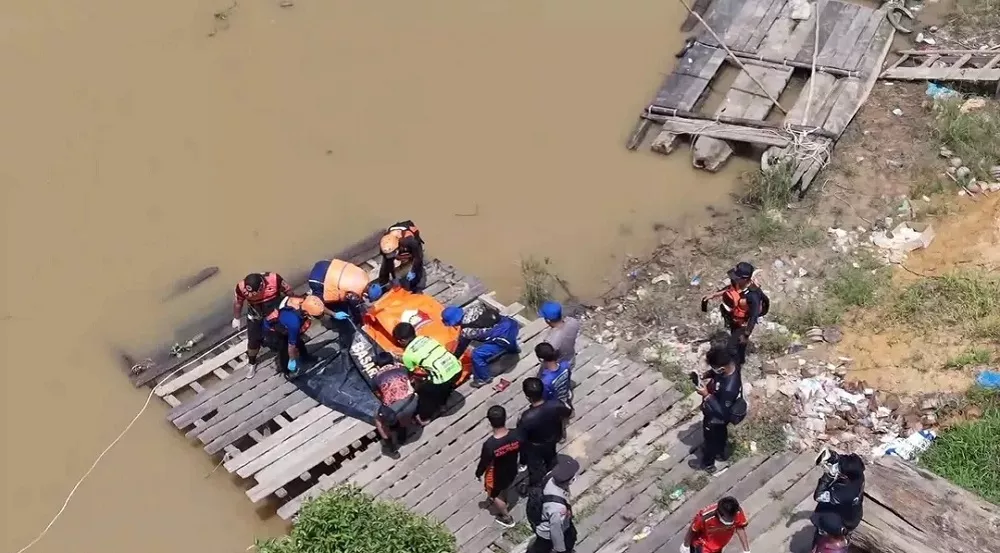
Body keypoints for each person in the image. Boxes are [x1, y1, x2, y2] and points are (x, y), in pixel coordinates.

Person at [393, 322, 463, 425]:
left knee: (426, 396)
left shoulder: (407, 355)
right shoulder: (427, 338)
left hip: (442, 378)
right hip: (457, 368)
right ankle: (443, 404)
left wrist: (416, 387)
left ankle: (424, 418)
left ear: (402, 341)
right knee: (447, 387)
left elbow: (413, 373)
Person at [701, 262, 767, 369]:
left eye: (737, 277)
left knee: (733, 347)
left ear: (745, 279)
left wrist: (746, 335)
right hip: (734, 317)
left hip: (744, 323)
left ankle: (738, 364)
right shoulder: (737, 282)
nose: (734, 279)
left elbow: (754, 316)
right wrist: (713, 295)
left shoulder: (753, 295)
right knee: (733, 335)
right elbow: (729, 289)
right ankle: (737, 352)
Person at [691, 346, 743, 473]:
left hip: (716, 417)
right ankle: (720, 452)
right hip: (720, 414)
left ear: (722, 368)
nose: (713, 370)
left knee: (710, 440)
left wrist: (706, 395)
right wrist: (707, 374)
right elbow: (716, 372)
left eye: (714, 368)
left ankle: (707, 464)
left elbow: (722, 413)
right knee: (721, 433)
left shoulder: (729, 388)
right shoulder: (732, 364)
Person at [442, 304, 520, 388]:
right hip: (512, 324)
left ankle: (484, 378)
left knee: (477, 354)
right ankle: (514, 349)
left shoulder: (466, 331)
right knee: (500, 334)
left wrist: (454, 358)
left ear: (454, 321)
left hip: (503, 339)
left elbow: (462, 346)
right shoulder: (475, 307)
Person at [232, 272, 294, 378]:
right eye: (248, 293)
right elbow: (238, 303)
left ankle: (285, 358)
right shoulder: (241, 287)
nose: (250, 296)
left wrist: (292, 307)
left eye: (254, 293)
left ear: (262, 286)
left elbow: (289, 292)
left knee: (282, 337)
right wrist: (236, 318)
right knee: (253, 341)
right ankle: (252, 362)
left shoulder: (274, 279)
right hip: (255, 314)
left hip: (274, 312)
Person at [517, 377, 571, 491]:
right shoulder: (556, 404)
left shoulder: (526, 417)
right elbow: (568, 412)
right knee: (551, 459)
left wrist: (523, 459)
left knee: (535, 470)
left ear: (527, 397)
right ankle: (554, 479)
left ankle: (536, 489)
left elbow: (521, 439)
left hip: (535, 447)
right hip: (553, 439)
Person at [475, 405, 522, 528]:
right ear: (505, 418)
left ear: (490, 421)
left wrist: (478, 473)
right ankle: (504, 499)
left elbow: (484, 462)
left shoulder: (490, 445)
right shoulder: (516, 434)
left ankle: (507, 518)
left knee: (494, 494)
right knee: (504, 487)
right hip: (512, 469)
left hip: (496, 474)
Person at [811, 450, 865, 549]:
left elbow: (818, 496)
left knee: (819, 516)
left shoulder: (845, 493)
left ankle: (822, 535)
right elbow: (842, 460)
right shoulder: (857, 471)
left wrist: (828, 476)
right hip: (851, 513)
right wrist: (832, 457)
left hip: (842, 522)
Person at [261, 295, 325, 377]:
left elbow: (318, 307)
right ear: (307, 313)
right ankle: (287, 371)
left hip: (284, 322)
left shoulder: (303, 301)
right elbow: (291, 346)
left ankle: (305, 357)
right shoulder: (294, 323)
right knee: (284, 349)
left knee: (299, 342)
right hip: (274, 330)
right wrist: (292, 360)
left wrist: (333, 314)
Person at [527, 456, 579, 553]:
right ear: (571, 480)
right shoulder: (558, 508)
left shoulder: (550, 476)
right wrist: (560, 550)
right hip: (547, 533)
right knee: (543, 548)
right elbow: (556, 531)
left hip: (542, 516)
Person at [307, 258, 384, 322]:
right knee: (318, 305)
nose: (365, 299)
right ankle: (329, 317)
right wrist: (334, 314)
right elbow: (355, 310)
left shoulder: (363, 275)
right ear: (366, 294)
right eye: (367, 298)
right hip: (317, 281)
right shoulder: (354, 296)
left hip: (325, 264)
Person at [371, 352, 417, 457]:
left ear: (378, 365)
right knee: (404, 414)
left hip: (395, 410)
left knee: (378, 421)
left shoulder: (376, 378)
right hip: (412, 401)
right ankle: (402, 436)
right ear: (392, 361)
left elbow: (378, 394)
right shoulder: (403, 368)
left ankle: (391, 449)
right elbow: (412, 379)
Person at [682, 496, 750, 553]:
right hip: (702, 546)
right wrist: (685, 545)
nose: (731, 521)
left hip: (718, 545)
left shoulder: (736, 511)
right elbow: (693, 529)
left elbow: (740, 528)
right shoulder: (705, 517)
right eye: (728, 519)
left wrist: (746, 550)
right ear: (719, 514)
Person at [378, 220, 425, 292]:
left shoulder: (410, 241)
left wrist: (413, 271)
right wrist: (394, 277)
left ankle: (416, 287)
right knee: (385, 266)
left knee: (417, 267)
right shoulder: (385, 244)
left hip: (413, 246)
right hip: (397, 244)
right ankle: (382, 285)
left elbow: (418, 257)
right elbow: (389, 263)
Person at [538, 302, 581, 369]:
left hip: (558, 364)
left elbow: (548, 358)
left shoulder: (550, 342)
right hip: (571, 358)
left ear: (548, 320)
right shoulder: (573, 322)